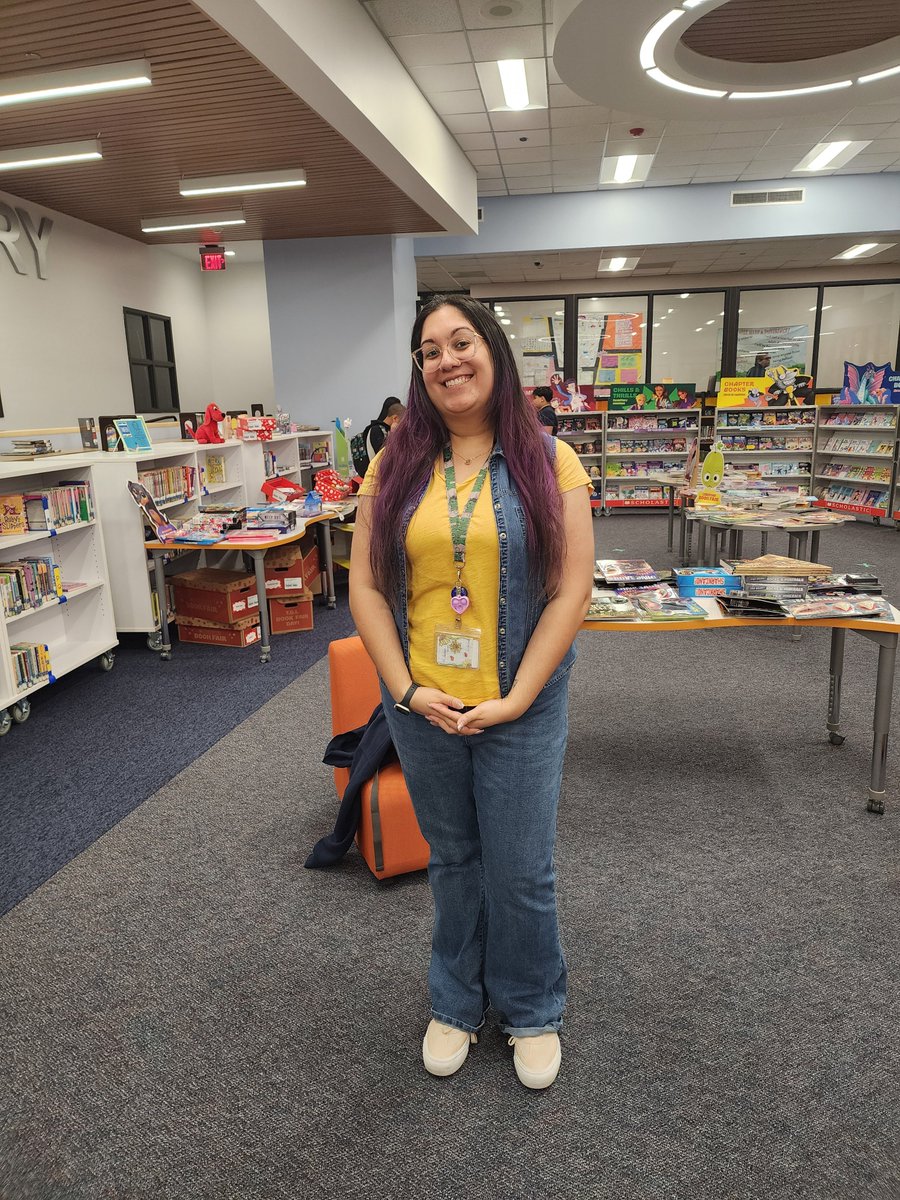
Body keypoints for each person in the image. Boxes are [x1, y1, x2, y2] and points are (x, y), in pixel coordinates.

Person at [350, 295, 594, 1090]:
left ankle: (531, 1007)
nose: (447, 360)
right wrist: (406, 689)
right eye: (429, 351)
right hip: (422, 703)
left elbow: (571, 591)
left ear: (493, 352)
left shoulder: (550, 461)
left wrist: (521, 696)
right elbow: (366, 590)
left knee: (521, 868)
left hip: (518, 699)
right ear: (419, 372)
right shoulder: (392, 465)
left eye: (462, 342)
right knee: (454, 859)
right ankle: (456, 1001)